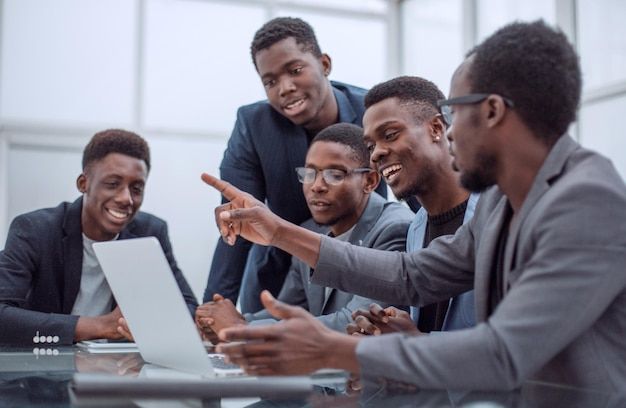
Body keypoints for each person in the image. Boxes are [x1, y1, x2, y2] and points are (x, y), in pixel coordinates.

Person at [203, 21, 626, 392]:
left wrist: (336, 349)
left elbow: (503, 352)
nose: (451, 132)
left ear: (493, 110)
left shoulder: (586, 199)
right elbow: (413, 275)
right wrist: (277, 231)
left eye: (453, 112)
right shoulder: (502, 201)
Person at [206, 17, 387, 313]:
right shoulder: (253, 126)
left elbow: (419, 191)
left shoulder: (372, 112)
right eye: (270, 81)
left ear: (325, 64)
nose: (285, 88)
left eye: (295, 70)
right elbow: (235, 224)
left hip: (361, 270)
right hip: (279, 284)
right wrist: (214, 309)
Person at [196, 123, 411, 338]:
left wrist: (242, 329)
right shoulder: (309, 230)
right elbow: (288, 312)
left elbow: (357, 323)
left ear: (370, 181)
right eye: (309, 173)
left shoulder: (394, 229)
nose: (316, 185)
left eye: (335, 174)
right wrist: (221, 320)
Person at [0, 129, 198, 346]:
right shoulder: (35, 230)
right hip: (45, 367)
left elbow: (187, 308)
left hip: (119, 371)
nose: (126, 199)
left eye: (137, 188)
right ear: (83, 183)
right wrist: (101, 326)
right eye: (113, 184)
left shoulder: (150, 232)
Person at [349, 76, 479, 335]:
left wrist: (413, 341)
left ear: (436, 128)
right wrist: (391, 332)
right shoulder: (416, 226)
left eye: (389, 135)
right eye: (370, 145)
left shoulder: (495, 211)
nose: (375, 154)